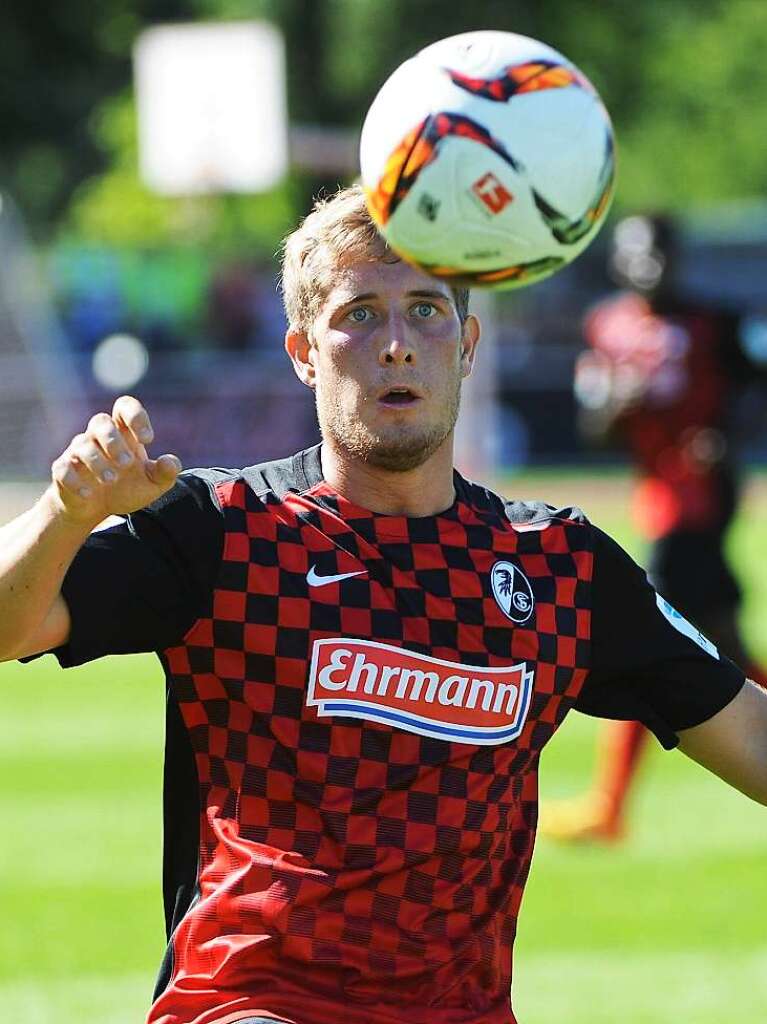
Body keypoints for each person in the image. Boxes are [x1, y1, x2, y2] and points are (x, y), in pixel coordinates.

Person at [1, 187, 765, 1024]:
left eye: (426, 312)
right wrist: (64, 516)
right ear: (302, 351)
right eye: (359, 314)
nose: (397, 345)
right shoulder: (223, 532)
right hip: (251, 1004)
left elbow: (750, 738)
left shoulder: (557, 567)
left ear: (467, 344)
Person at [540, 213, 767, 843]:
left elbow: (754, 386)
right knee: (722, 643)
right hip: (656, 496)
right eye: (637, 253)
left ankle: (608, 807)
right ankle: (607, 808)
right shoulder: (607, 327)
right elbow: (593, 427)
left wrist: (732, 437)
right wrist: (620, 398)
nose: (649, 266)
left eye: (660, 253)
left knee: (642, 639)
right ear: (619, 259)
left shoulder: (715, 324)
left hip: (700, 501)